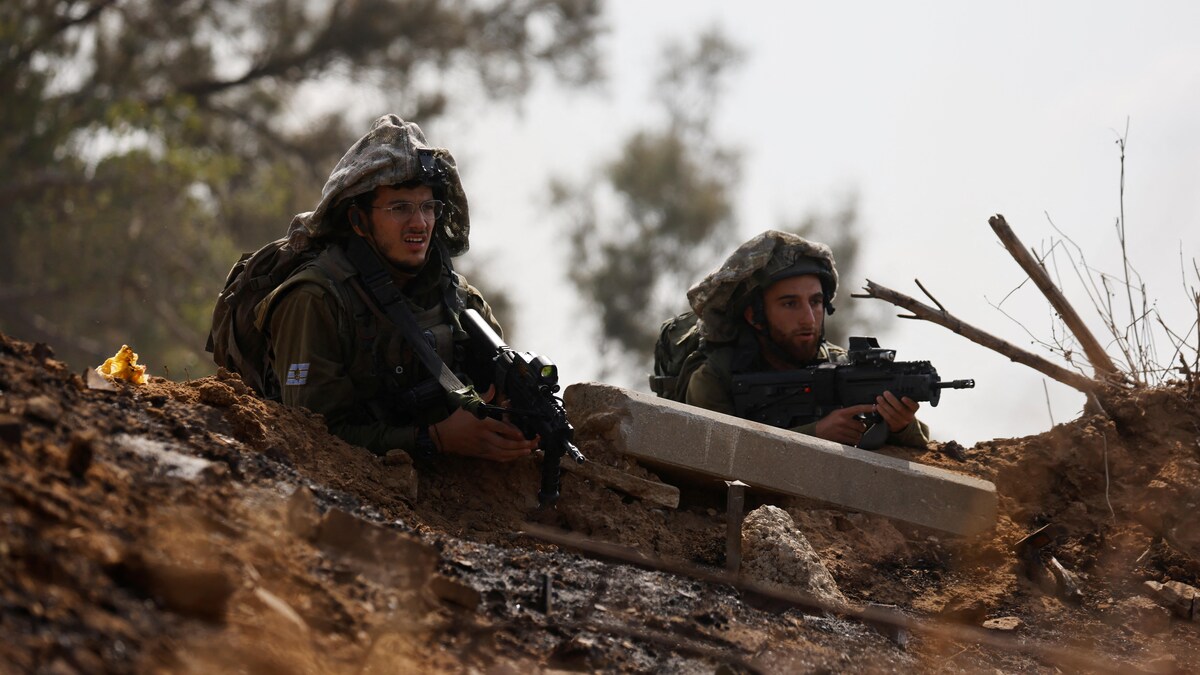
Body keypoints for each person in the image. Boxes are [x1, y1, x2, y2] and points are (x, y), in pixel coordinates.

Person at [254, 114, 538, 462]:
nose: (419, 223)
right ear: (359, 221)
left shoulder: (461, 302)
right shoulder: (315, 300)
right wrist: (435, 439)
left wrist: (509, 421)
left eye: (428, 207)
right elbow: (309, 436)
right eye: (400, 207)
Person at [684, 230, 929, 448]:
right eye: (790, 304)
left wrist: (901, 424)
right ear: (754, 315)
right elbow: (716, 452)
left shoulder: (841, 366)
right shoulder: (716, 378)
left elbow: (921, 440)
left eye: (816, 302)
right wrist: (815, 434)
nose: (809, 319)